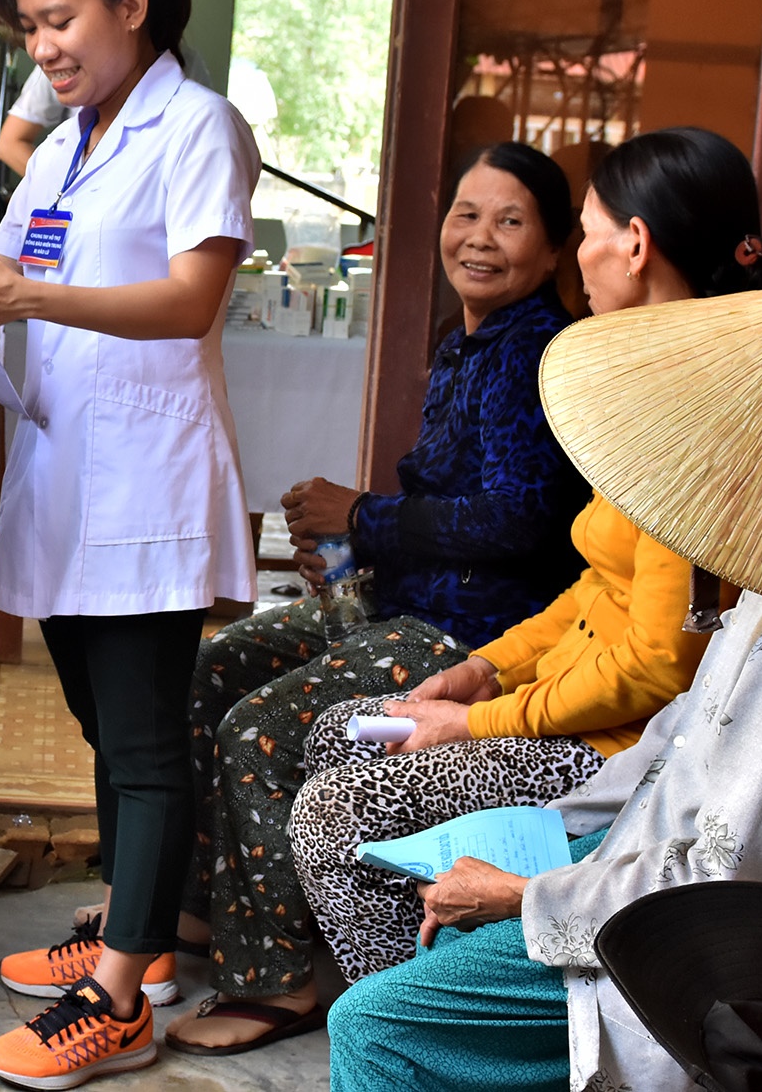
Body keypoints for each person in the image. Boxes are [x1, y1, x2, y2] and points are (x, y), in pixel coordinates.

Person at [327, 282, 762, 1092]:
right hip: (697, 886)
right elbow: (679, 742)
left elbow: (726, 883)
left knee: (376, 1025)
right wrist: (542, 832)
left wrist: (527, 894)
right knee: (451, 923)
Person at [264, 128, 762, 1009]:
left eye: (584, 229)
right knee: (338, 732)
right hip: (556, 705)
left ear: (636, 244)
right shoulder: (636, 377)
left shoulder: (693, 413)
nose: (583, 254)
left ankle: (420, 1024)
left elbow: (661, 662)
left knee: (332, 812)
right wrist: (479, 671)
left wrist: (485, 723)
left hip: (611, 751)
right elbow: (592, 587)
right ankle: (420, 999)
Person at [0, 0, 259, 1088]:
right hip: (68, 468)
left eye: (59, 20)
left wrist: (26, 297)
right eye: (29, 29)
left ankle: (124, 996)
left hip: (145, 479)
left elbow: (192, 298)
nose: (43, 50)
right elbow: (10, 275)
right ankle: (131, 934)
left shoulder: (199, 126)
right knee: (102, 723)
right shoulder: (69, 149)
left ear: (132, 6)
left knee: (144, 745)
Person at [166, 142, 592, 1055]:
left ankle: (274, 980)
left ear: (555, 249)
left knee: (259, 727)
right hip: (403, 604)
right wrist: (352, 545)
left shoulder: (538, 355)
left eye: (510, 222)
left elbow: (517, 523)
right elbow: (448, 509)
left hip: (468, 634)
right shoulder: (467, 340)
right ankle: (211, 898)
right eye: (466, 214)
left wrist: (365, 514)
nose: (480, 239)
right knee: (216, 663)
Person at [0, 48, 212, 177]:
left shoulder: (188, 68)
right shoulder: (62, 61)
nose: (42, 49)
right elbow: (10, 143)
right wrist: (65, 189)